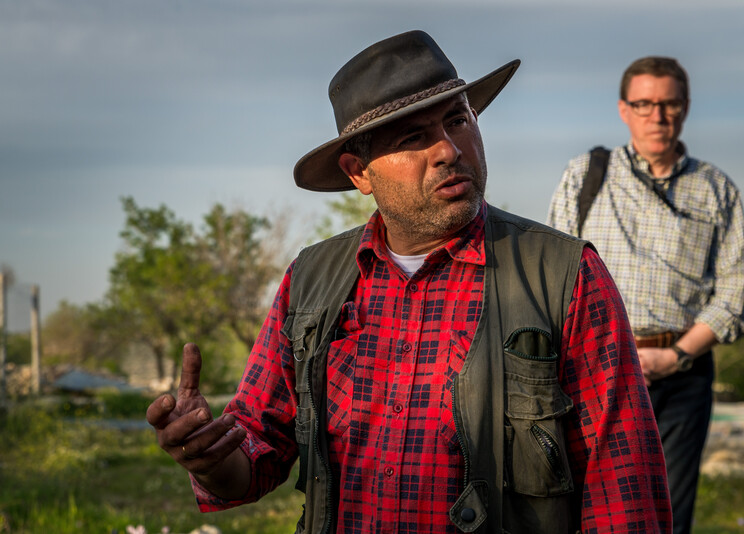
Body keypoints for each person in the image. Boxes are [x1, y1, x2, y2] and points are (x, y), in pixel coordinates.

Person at [147, 31, 672, 533]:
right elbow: (255, 454)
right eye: (413, 137)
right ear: (359, 172)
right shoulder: (311, 283)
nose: (448, 149)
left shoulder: (563, 277)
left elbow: (624, 493)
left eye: (457, 120)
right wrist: (209, 455)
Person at [547, 56, 744, 533]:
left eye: (669, 103)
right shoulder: (586, 176)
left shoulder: (716, 189)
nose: (657, 116)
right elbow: (553, 277)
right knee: (583, 509)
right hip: (596, 369)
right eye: (644, 104)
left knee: (667, 518)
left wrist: (677, 355)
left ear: (685, 107)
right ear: (624, 109)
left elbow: (733, 297)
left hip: (683, 375)